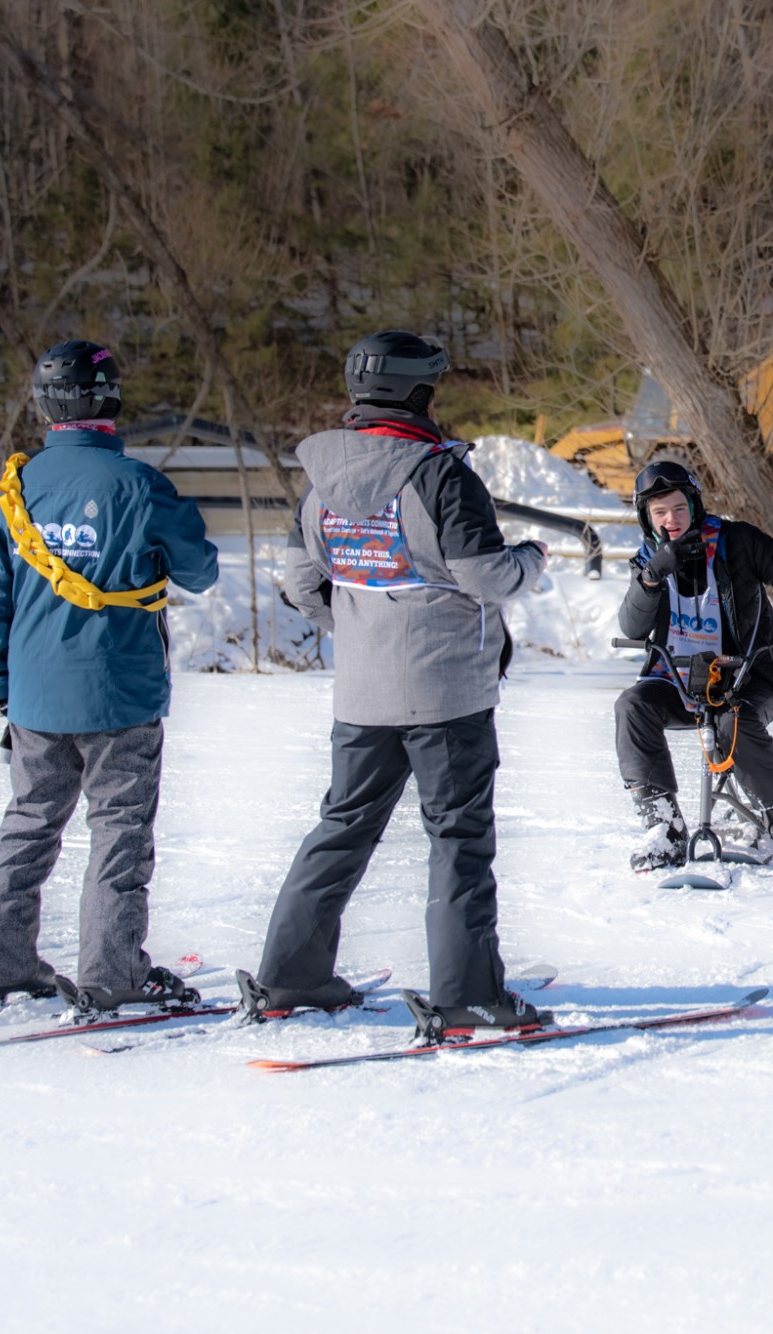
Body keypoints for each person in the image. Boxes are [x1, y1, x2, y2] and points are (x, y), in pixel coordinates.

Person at [247, 330, 551, 1036]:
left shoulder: (321, 477)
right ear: (420, 392)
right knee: (458, 838)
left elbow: (300, 581)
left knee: (343, 826)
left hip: (361, 693)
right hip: (447, 694)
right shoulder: (440, 474)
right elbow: (485, 577)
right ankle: (468, 994)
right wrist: (531, 560)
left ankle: (289, 976)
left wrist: (358, 627)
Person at [0, 340, 219, 1009]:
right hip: (120, 693)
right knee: (118, 834)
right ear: (111, 399)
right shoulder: (139, 486)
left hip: (33, 693)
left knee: (28, 825)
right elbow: (199, 570)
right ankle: (112, 976)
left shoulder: (13, 491)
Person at [618, 461, 773, 872]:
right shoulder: (646, 561)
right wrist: (649, 580)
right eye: (659, 513)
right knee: (632, 706)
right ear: (647, 517)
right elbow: (632, 626)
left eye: (679, 508)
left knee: (731, 721)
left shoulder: (736, 542)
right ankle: (665, 827)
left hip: (751, 675)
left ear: (694, 506)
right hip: (680, 679)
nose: (671, 520)